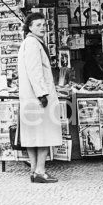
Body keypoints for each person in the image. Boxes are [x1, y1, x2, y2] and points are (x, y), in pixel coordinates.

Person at [18, 12, 63, 183]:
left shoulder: (30, 42)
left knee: (33, 134)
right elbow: (35, 71)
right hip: (38, 97)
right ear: (30, 27)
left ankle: (34, 170)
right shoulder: (32, 44)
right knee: (43, 133)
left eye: (44, 25)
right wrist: (42, 94)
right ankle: (40, 171)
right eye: (38, 25)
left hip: (30, 97)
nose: (42, 28)